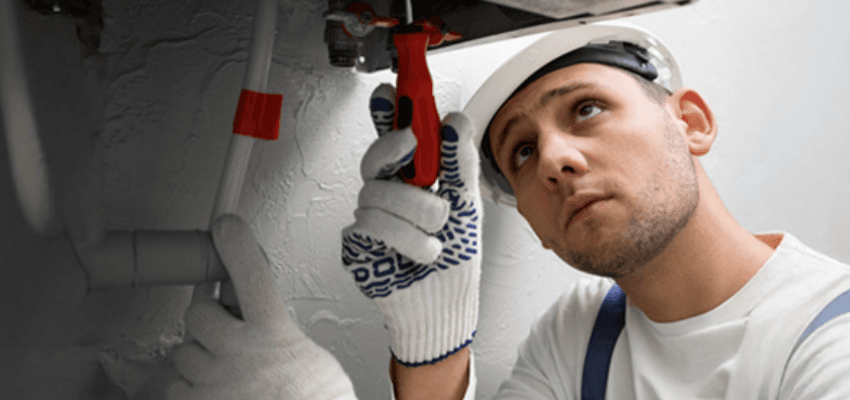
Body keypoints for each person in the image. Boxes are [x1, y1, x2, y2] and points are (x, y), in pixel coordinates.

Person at [142, 22, 850, 400]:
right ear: (537, 230)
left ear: (691, 122)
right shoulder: (581, 333)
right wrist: (433, 341)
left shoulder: (828, 342)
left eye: (588, 108)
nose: (553, 160)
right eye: (520, 153)